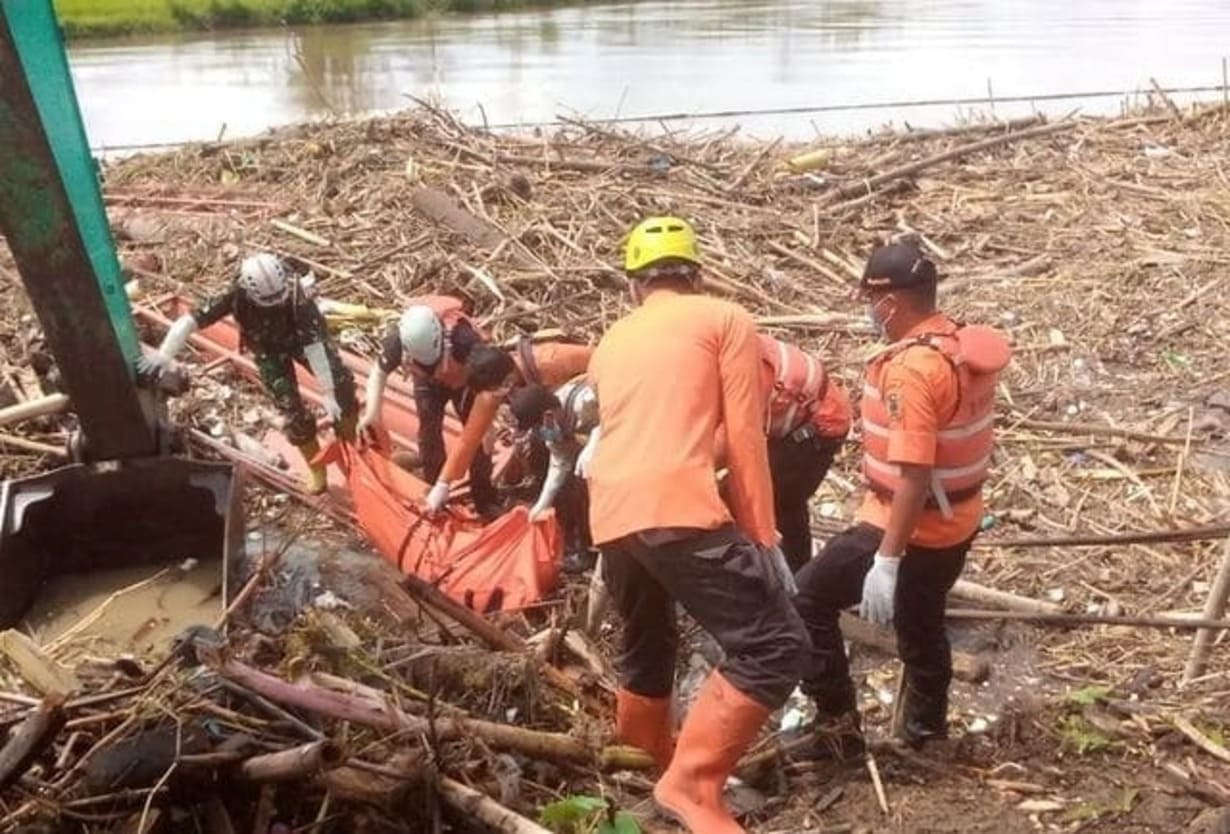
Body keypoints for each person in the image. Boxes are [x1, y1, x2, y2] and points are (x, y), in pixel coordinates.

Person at [588, 216, 808, 834]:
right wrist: (763, 536)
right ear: (697, 275)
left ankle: (642, 768)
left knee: (648, 636)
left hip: (611, 511)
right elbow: (743, 436)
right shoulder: (725, 320)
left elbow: (634, 427)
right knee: (776, 644)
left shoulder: (611, 341)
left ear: (635, 285)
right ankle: (692, 785)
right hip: (675, 505)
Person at [792, 241, 1011, 756]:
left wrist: (886, 560)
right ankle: (926, 731)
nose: (869, 311)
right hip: (959, 521)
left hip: (910, 524)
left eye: (870, 299)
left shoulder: (912, 370)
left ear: (890, 303)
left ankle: (836, 728)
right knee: (922, 618)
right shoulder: (957, 344)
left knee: (805, 602)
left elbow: (913, 475)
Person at [143, 253, 357, 494]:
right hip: (267, 350)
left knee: (342, 384)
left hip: (301, 340)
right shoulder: (236, 295)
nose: (276, 303)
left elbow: (316, 348)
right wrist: (164, 354)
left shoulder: (299, 296)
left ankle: (353, 449)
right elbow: (190, 322)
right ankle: (317, 468)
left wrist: (328, 392)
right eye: (269, 301)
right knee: (291, 410)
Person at [356, 296, 498, 517]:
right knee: (428, 435)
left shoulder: (464, 339)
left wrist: (488, 425)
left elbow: (489, 380)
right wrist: (372, 413)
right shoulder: (399, 338)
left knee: (478, 440)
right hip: (427, 383)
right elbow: (378, 372)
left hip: (466, 382)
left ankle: (484, 498)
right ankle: (433, 492)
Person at [421, 337, 593, 518]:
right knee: (536, 447)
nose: (500, 397)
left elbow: (603, 364)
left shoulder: (552, 360)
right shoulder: (493, 391)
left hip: (590, 412)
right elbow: (469, 439)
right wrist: (442, 485)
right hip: (557, 431)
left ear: (509, 378)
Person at [756, 333, 851, 571]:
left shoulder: (736, 368)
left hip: (818, 425)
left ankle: (793, 581)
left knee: (780, 502)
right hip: (796, 414)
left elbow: (730, 439)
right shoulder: (725, 340)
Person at [507, 379, 601, 573]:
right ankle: (576, 540)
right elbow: (560, 461)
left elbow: (618, 413)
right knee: (568, 489)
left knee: (582, 489)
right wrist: (542, 503)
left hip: (623, 439)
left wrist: (595, 440)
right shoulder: (549, 427)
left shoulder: (585, 402)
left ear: (548, 414)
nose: (542, 431)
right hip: (588, 454)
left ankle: (591, 548)